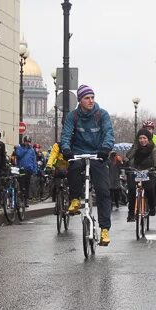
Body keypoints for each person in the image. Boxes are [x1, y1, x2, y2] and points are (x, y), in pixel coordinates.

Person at [60, 84, 115, 245]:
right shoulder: (73, 116)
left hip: (98, 154)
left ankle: (104, 230)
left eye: (92, 97)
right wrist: (66, 149)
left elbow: (108, 133)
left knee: (103, 191)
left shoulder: (101, 114)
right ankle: (75, 199)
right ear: (80, 100)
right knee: (74, 168)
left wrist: (105, 148)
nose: (91, 101)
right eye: (87, 98)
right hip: (78, 152)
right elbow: (65, 134)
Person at [125, 129, 156, 221]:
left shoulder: (153, 148)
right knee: (132, 190)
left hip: (149, 171)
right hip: (136, 171)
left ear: (148, 139)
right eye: (140, 138)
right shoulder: (135, 147)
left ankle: (152, 207)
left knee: (149, 188)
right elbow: (128, 157)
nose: (142, 140)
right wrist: (135, 147)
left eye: (144, 138)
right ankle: (131, 214)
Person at [13, 136, 39, 207]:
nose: (28, 143)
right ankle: (21, 198)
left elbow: (34, 160)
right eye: (26, 141)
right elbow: (18, 155)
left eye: (29, 141)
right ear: (24, 141)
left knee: (27, 185)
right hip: (21, 169)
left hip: (29, 170)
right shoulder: (20, 148)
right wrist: (25, 149)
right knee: (22, 185)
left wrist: (34, 169)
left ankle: (25, 200)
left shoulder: (32, 150)